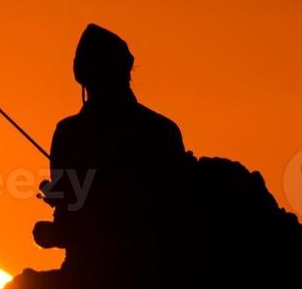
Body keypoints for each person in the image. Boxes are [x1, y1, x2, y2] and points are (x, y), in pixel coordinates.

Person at [34, 25, 189, 273]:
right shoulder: (163, 129)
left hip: (91, 280)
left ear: (82, 76)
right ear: (126, 71)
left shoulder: (70, 133)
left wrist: (46, 233)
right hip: (158, 275)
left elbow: (70, 228)